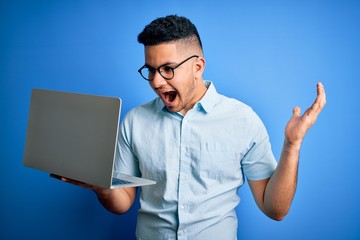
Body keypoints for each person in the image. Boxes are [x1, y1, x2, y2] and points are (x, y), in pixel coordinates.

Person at [54, 15, 326, 240]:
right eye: (150, 70)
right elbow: (123, 202)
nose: (157, 82)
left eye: (167, 69)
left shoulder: (243, 120)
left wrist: (292, 145)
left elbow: (275, 209)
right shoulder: (134, 121)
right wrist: (101, 187)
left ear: (198, 66)